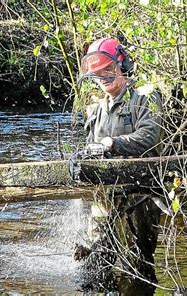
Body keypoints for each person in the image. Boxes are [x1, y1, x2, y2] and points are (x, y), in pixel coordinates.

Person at [76, 38, 163, 293]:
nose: (103, 77)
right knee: (97, 260)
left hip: (141, 193)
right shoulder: (96, 109)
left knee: (140, 264)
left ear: (122, 65)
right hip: (106, 194)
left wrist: (113, 143)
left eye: (108, 70)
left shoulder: (144, 97)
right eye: (98, 73)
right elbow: (91, 149)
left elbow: (149, 137)